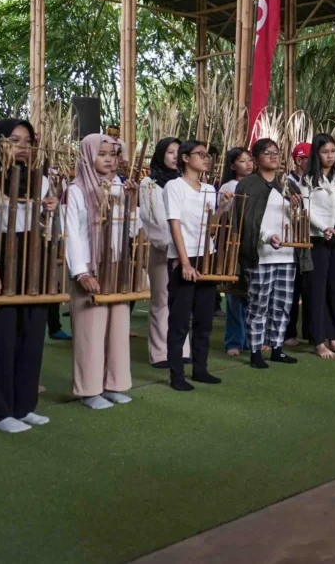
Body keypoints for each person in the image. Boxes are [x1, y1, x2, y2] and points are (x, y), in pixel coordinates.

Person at [0, 119, 58, 434]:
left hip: (32, 256)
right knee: (0, 339)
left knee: (32, 334)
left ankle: (24, 406)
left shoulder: (42, 180)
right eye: (15, 139)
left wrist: (49, 211)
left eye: (28, 141)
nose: (23, 146)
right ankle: (0, 412)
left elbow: (45, 231)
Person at [64, 134, 139, 410]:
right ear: (87, 156)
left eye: (113, 154)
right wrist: (81, 273)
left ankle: (114, 384)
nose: (109, 159)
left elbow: (130, 230)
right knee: (90, 332)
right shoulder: (76, 190)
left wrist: (131, 201)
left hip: (116, 266)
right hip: (90, 269)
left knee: (118, 329)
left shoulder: (120, 187)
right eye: (102, 154)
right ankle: (89, 390)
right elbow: (72, 234)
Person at [236, 139, 301, 368]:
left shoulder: (288, 185)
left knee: (283, 303)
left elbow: (300, 219)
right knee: (259, 304)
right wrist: (267, 237)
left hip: (287, 254)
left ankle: (277, 348)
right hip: (261, 254)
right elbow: (247, 221)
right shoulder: (248, 185)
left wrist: (296, 208)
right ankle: (255, 350)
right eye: (267, 153)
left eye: (276, 153)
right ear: (256, 159)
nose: (274, 156)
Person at [164, 140, 222, 391]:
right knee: (179, 320)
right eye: (200, 154)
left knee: (204, 318)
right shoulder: (173, 186)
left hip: (206, 256)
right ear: (185, 158)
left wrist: (224, 207)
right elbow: (174, 224)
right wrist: (184, 263)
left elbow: (211, 227)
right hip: (182, 257)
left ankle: (200, 369)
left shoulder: (210, 189)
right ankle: (176, 375)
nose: (205, 158)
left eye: (207, 155)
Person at [303, 133, 335, 359]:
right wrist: (323, 227)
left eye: (333, 151)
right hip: (318, 239)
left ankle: (334, 337)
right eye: (325, 152)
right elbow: (306, 210)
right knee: (317, 290)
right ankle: (317, 340)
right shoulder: (308, 180)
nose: (330, 156)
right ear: (316, 153)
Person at [139, 137, 188, 368]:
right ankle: (159, 353)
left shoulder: (184, 182)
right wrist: (171, 245)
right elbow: (152, 220)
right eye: (170, 152)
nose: (175, 156)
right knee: (161, 300)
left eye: (179, 152)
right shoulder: (149, 183)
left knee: (181, 301)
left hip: (186, 250)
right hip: (163, 249)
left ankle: (181, 349)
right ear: (160, 154)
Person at [218, 147, 254, 357]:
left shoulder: (257, 184)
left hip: (252, 244)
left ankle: (251, 339)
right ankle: (234, 341)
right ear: (232, 166)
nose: (248, 164)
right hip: (234, 244)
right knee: (234, 295)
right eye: (242, 160)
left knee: (252, 295)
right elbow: (226, 217)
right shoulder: (229, 186)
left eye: (250, 160)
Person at [284, 142, 310, 347]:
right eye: (308, 158)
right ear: (298, 160)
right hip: (291, 240)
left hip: (310, 240)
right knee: (290, 290)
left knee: (307, 287)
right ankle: (288, 332)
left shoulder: (313, 181)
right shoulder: (286, 182)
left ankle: (309, 330)